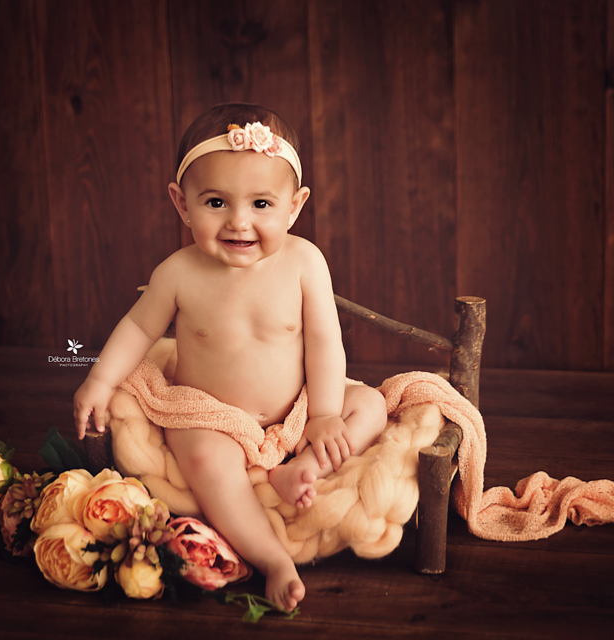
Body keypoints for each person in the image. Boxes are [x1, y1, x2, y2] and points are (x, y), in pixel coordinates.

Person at [73, 103, 388, 611]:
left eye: (262, 204)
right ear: (182, 204)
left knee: (370, 404)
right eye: (216, 202)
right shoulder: (177, 273)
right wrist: (99, 381)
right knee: (201, 456)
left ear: (294, 205)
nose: (239, 222)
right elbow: (137, 328)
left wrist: (325, 414)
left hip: (299, 409)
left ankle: (300, 468)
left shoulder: (305, 262)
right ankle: (271, 559)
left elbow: (326, 342)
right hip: (209, 413)